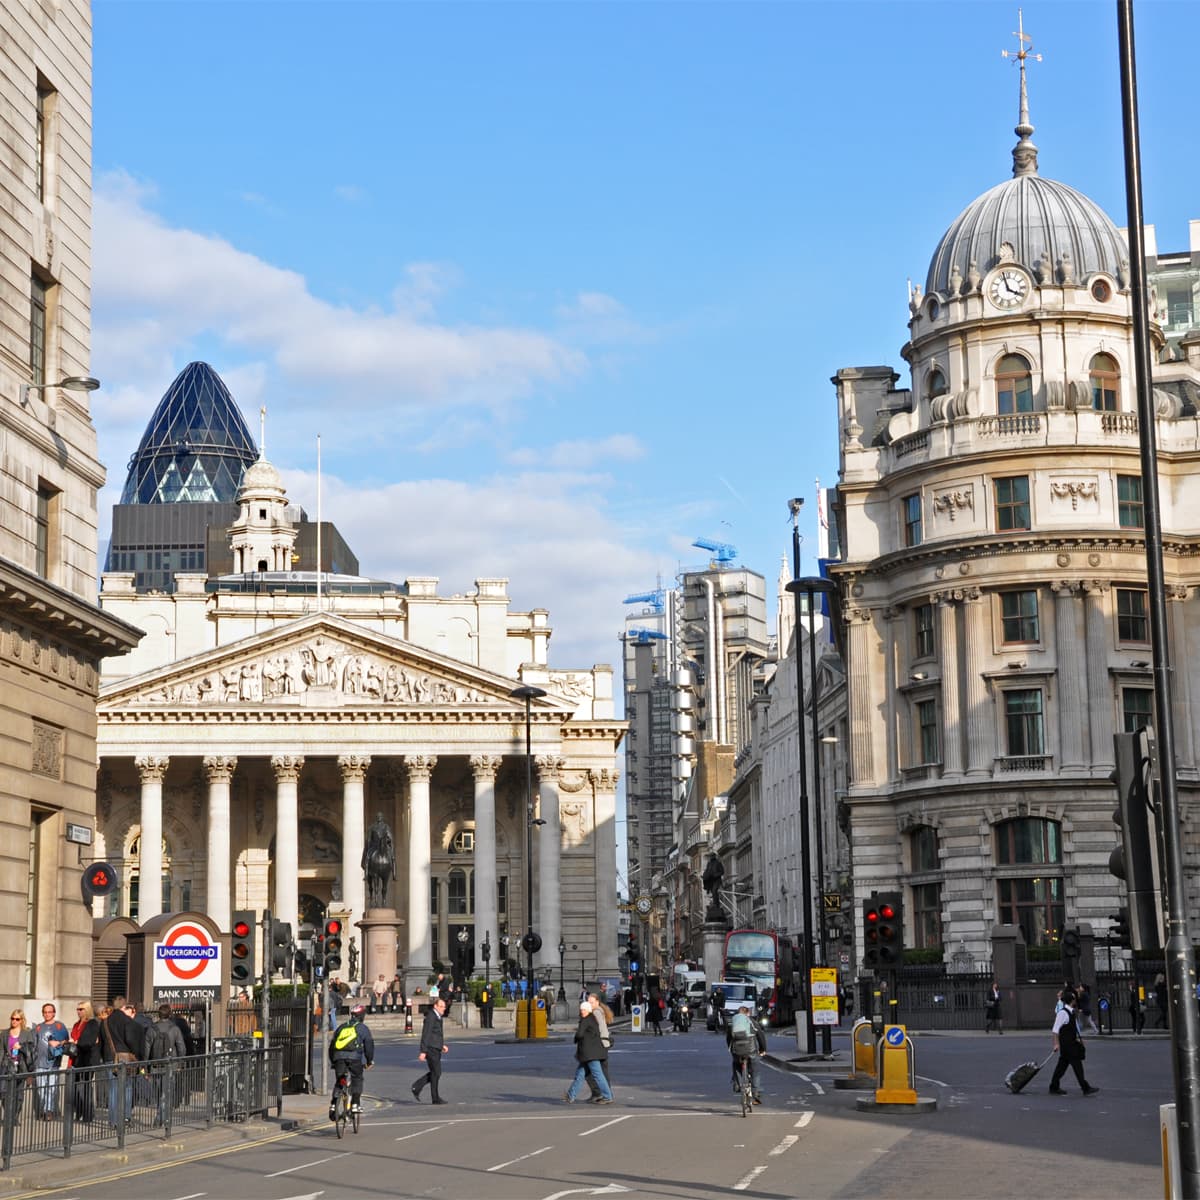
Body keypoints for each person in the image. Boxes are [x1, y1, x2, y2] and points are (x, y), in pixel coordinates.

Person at [101, 997, 143, 1128]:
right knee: (127, 1088)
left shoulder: (105, 1022)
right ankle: (125, 1117)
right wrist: (135, 1054)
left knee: (113, 1090)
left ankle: (113, 1121)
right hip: (125, 1058)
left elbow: (102, 1041)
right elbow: (131, 1040)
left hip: (110, 1057)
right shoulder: (127, 1021)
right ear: (124, 1007)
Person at [1048, 988, 1099, 1097]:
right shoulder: (1062, 1013)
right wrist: (1056, 1044)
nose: (1076, 1001)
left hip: (1070, 1044)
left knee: (1061, 1067)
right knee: (1077, 1065)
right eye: (1075, 999)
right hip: (1068, 1046)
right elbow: (1055, 1030)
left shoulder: (1070, 1012)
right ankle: (1085, 1087)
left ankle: (1054, 1086)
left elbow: (1071, 1030)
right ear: (1072, 1001)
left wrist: (1079, 1040)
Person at [328, 1003, 374, 1117]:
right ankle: (355, 1104)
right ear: (362, 1015)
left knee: (340, 1080)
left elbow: (332, 1046)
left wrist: (333, 1062)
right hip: (354, 1058)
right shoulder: (363, 1028)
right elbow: (369, 1046)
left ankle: (333, 1105)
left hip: (338, 1058)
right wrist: (369, 1061)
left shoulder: (342, 1027)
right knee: (357, 1078)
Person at [564, 1000, 613, 1104]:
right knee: (580, 1074)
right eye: (581, 1009)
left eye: (584, 1010)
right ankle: (570, 1095)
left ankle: (607, 1096)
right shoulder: (592, 1018)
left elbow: (580, 1034)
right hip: (589, 1053)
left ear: (588, 1010)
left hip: (590, 1053)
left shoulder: (586, 1020)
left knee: (597, 1075)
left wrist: (576, 1038)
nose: (582, 1011)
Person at [147, 1003, 187, 1125]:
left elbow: (146, 1048)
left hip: (155, 1064)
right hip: (170, 1064)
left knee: (158, 1092)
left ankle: (160, 1117)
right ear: (170, 1014)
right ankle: (162, 1118)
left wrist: (145, 1066)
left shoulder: (151, 1029)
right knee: (166, 1092)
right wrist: (181, 1063)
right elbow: (181, 1047)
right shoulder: (174, 1029)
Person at [33, 1002, 69, 1119]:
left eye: (50, 1012)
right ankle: (44, 1108)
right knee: (41, 1089)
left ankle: (49, 1111)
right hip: (40, 1063)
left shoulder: (59, 1026)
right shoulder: (38, 1027)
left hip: (54, 1062)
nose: (47, 1014)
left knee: (52, 1088)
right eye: (45, 1012)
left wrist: (58, 1043)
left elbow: (66, 1041)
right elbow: (34, 1044)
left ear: (54, 1013)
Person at [67, 1001, 102, 1123]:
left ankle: (88, 1114)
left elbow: (89, 1041)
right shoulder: (77, 1024)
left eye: (81, 1009)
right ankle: (79, 1111)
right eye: (77, 1009)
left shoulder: (92, 1023)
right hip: (76, 1058)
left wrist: (77, 1042)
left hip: (88, 1059)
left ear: (87, 1010)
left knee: (86, 1087)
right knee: (76, 1087)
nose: (79, 1011)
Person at [726, 1004, 766, 1105]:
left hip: (737, 1050)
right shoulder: (751, 1021)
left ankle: (737, 1084)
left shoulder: (732, 1022)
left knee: (735, 1064)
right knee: (755, 1070)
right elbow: (760, 1036)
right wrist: (762, 1049)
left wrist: (731, 1050)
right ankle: (756, 1094)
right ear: (747, 1013)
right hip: (750, 1049)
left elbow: (728, 1038)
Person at [412, 997, 449, 1104]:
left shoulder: (437, 1017)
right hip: (430, 1049)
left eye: (444, 1007)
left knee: (435, 1073)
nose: (444, 1009)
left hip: (436, 1047)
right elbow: (426, 1034)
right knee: (436, 1072)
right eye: (441, 1006)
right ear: (435, 1006)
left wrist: (442, 1045)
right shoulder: (431, 1017)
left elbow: (436, 1034)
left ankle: (422, 1090)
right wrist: (423, 1051)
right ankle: (421, 1089)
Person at [2, 1010, 36, 1120]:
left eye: (17, 1019)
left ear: (21, 1020)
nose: (14, 1021)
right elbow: (1, 1051)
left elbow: (31, 1051)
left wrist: (21, 1047)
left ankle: (15, 1116)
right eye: (12, 1018)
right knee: (4, 1092)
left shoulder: (27, 1033)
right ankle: (8, 1115)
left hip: (21, 1067)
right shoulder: (4, 1034)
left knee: (19, 1094)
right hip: (7, 1066)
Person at [584, 992, 615, 1101]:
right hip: (602, 1045)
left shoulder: (596, 1012)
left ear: (597, 1002)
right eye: (588, 1002)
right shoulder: (599, 1011)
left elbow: (600, 1029)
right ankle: (605, 1093)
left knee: (589, 1071)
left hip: (598, 1045)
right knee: (602, 1070)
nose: (589, 1004)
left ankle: (599, 1093)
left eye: (591, 1002)